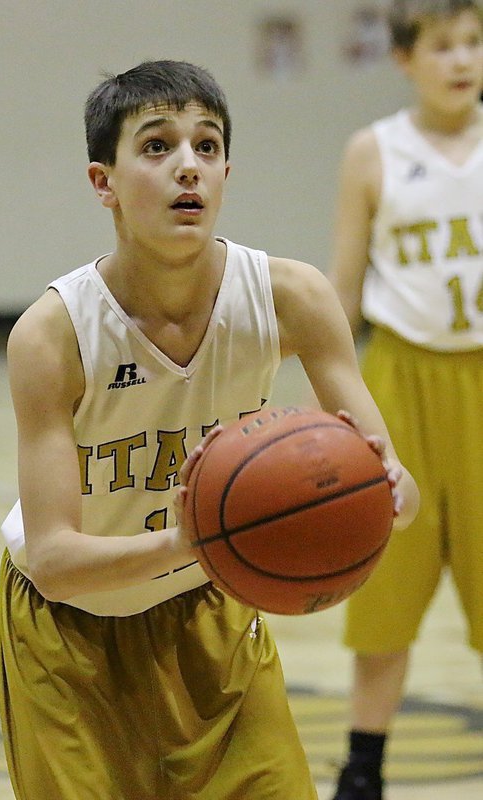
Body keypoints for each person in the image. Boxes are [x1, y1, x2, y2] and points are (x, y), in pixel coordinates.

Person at [0, 59, 419, 800]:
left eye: (206, 145)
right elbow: (57, 558)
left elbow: (397, 494)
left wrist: (384, 489)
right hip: (68, 633)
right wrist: (187, 540)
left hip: (211, 610)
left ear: (226, 170)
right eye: (156, 146)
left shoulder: (292, 297)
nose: (187, 166)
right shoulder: (52, 335)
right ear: (105, 183)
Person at [327, 3, 483, 799]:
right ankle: (363, 770)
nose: (460, 60)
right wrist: (324, 402)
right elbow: (342, 295)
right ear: (402, 58)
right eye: (441, 45)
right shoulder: (372, 152)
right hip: (399, 379)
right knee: (386, 587)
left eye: (473, 43)